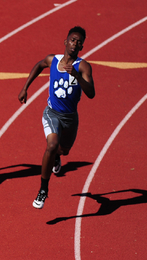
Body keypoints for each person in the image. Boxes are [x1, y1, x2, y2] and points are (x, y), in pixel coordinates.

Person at [18, 26, 95, 209]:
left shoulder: (83, 66)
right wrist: (25, 87)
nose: (74, 43)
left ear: (82, 46)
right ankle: (43, 190)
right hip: (52, 113)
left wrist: (77, 76)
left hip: (70, 118)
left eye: (78, 41)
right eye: (72, 39)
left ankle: (57, 157)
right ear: (65, 42)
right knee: (51, 146)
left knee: (63, 150)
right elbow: (38, 66)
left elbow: (91, 93)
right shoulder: (53, 60)